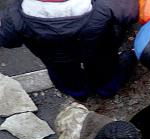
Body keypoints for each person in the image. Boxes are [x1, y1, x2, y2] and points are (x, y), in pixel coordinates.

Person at [0, 0, 138, 100]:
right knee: (104, 69)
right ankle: (105, 89)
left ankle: (79, 93)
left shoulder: (13, 16)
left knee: (64, 76)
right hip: (98, 48)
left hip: (54, 58)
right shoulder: (105, 4)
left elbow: (8, 41)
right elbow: (131, 13)